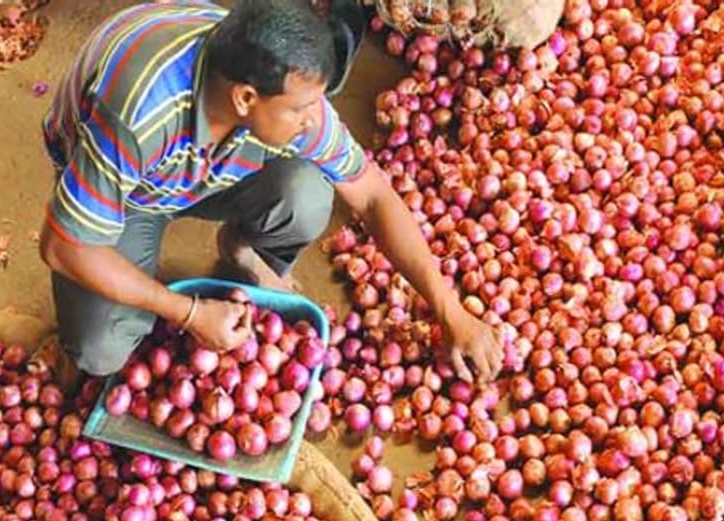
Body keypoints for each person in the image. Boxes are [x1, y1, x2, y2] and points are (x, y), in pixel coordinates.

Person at [37, 0, 503, 390]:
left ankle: (241, 249)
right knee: (101, 350)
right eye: (300, 109)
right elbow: (62, 247)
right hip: (133, 191)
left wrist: (450, 310)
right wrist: (190, 312)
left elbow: (373, 195)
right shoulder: (137, 114)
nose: (311, 119)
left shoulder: (282, 93)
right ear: (244, 99)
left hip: (202, 164)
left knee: (306, 194)